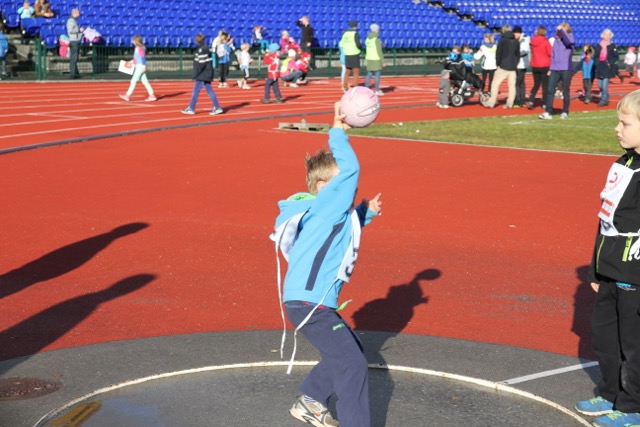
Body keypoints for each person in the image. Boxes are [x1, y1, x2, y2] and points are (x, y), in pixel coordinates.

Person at [271, 100, 382, 427]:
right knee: (352, 364)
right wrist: (338, 132)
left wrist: (365, 213)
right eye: (342, 186)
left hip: (308, 301)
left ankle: (311, 399)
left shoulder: (324, 213)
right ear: (323, 188)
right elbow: (351, 170)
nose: (349, 192)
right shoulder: (323, 209)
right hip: (310, 303)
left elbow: (341, 229)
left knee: (350, 350)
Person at [574, 89, 640, 427]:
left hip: (634, 273)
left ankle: (632, 407)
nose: (617, 128)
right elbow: (607, 219)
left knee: (633, 344)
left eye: (625, 123)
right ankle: (611, 392)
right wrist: (597, 270)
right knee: (605, 336)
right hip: (610, 268)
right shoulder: (622, 163)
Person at [181, 33, 223, 116]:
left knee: (196, 90)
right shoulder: (204, 48)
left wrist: (195, 74)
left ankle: (191, 108)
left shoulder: (202, 49)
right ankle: (217, 107)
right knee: (209, 90)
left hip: (203, 74)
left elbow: (201, 64)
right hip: (206, 72)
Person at [539, 23, 575, 120]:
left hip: (566, 68)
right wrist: (550, 68)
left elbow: (569, 42)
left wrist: (562, 30)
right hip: (555, 68)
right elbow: (553, 56)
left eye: (562, 30)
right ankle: (548, 111)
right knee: (550, 90)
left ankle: (565, 111)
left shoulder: (570, 39)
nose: (559, 32)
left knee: (565, 91)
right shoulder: (555, 41)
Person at [485, 24, 520, 109]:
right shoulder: (516, 41)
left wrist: (498, 64)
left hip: (503, 66)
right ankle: (510, 103)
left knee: (495, 84)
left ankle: (492, 102)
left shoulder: (502, 41)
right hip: (512, 67)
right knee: (512, 86)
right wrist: (515, 64)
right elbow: (518, 55)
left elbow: (498, 54)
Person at [118, 35, 156, 102]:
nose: (132, 41)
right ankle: (152, 95)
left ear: (136, 41)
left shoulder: (139, 48)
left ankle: (127, 95)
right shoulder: (138, 48)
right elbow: (136, 59)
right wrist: (130, 62)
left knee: (133, 81)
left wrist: (144, 66)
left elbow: (142, 58)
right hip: (139, 66)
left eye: (133, 40)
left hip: (140, 67)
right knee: (145, 81)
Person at [594, 29, 620, 108]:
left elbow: (616, 57)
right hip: (600, 66)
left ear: (611, 36)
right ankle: (606, 96)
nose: (607, 36)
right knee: (600, 85)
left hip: (607, 66)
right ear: (603, 35)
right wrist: (596, 63)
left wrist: (610, 63)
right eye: (605, 34)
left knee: (605, 85)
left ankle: (602, 101)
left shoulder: (612, 45)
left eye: (608, 34)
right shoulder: (599, 45)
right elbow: (595, 56)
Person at [527, 26, 552, 110]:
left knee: (536, 84)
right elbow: (550, 53)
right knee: (545, 86)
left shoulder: (532, 41)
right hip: (544, 65)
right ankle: (544, 103)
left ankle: (531, 100)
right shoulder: (546, 41)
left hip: (535, 65)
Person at [339, 20, 362, 91]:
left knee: (347, 71)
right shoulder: (355, 34)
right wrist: (361, 45)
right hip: (354, 53)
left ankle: (344, 86)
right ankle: (355, 86)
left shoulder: (345, 34)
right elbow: (358, 45)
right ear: (355, 26)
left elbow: (342, 44)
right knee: (356, 72)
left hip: (347, 54)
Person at [364, 23, 384, 96]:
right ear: (376, 30)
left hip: (369, 58)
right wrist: (382, 61)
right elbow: (379, 51)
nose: (379, 31)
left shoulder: (367, 39)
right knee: (377, 75)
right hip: (376, 58)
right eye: (378, 29)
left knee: (369, 74)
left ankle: (366, 88)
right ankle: (377, 90)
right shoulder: (376, 40)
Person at [513, 26, 530, 108]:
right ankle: (521, 100)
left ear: (518, 33)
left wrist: (514, 54)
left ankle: (518, 101)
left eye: (515, 34)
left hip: (522, 64)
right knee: (521, 82)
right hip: (517, 64)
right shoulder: (517, 39)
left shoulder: (524, 39)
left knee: (518, 82)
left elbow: (524, 51)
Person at [66, 8, 83, 79]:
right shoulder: (71, 20)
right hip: (74, 40)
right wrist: (79, 30)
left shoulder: (74, 20)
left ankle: (76, 73)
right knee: (74, 58)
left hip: (76, 40)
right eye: (78, 13)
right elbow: (70, 30)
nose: (80, 14)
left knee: (75, 58)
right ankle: (73, 74)